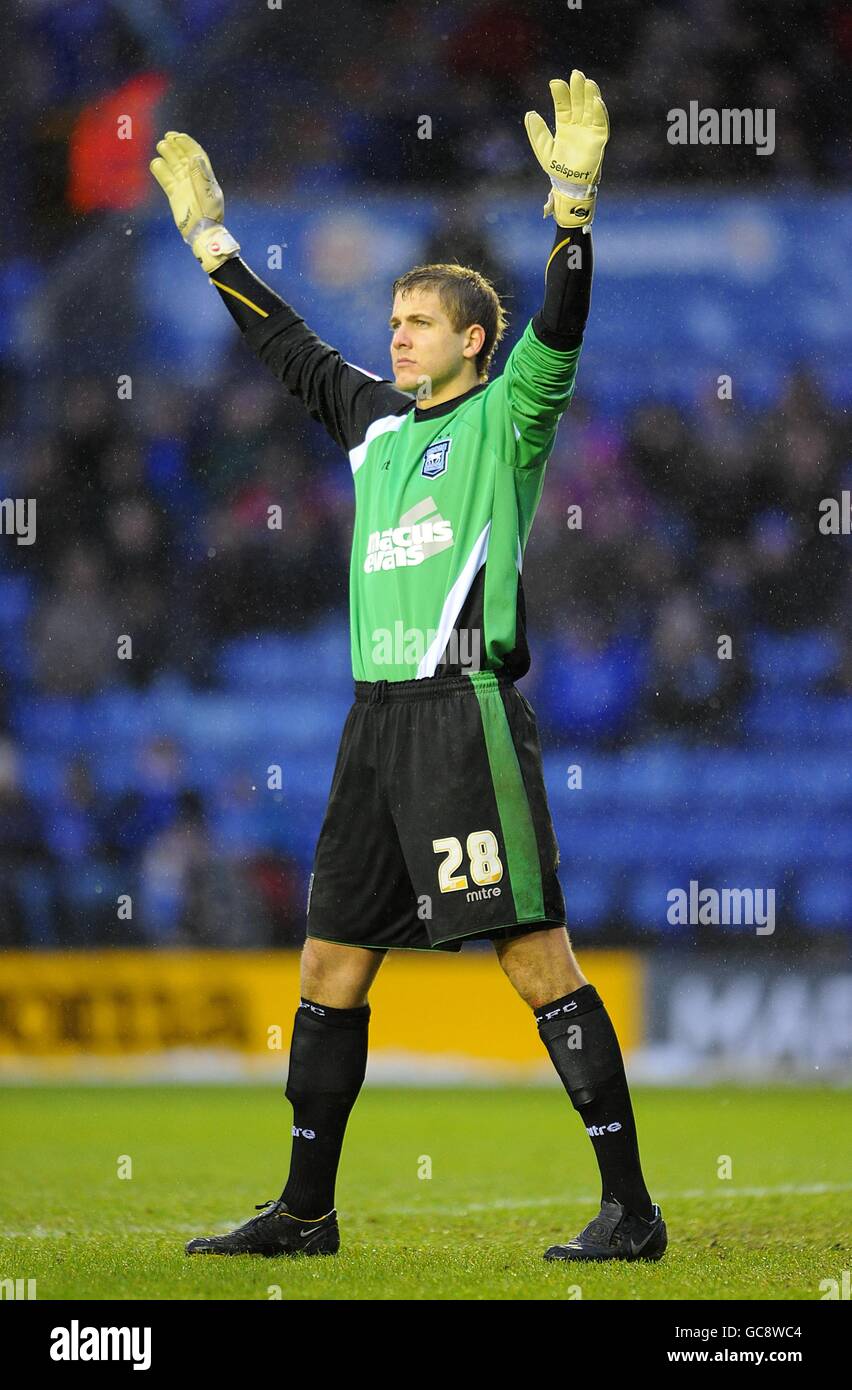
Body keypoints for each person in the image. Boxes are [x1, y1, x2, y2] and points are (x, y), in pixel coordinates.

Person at [150, 70, 666, 1264]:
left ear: (472, 341)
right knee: (330, 961)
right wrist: (212, 240)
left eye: (418, 321)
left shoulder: (509, 417)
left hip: (461, 712)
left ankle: (630, 1208)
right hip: (372, 726)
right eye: (393, 319)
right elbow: (287, 348)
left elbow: (565, 326)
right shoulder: (377, 422)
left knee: (536, 958)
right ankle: (306, 1211)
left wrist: (572, 215)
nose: (396, 335)